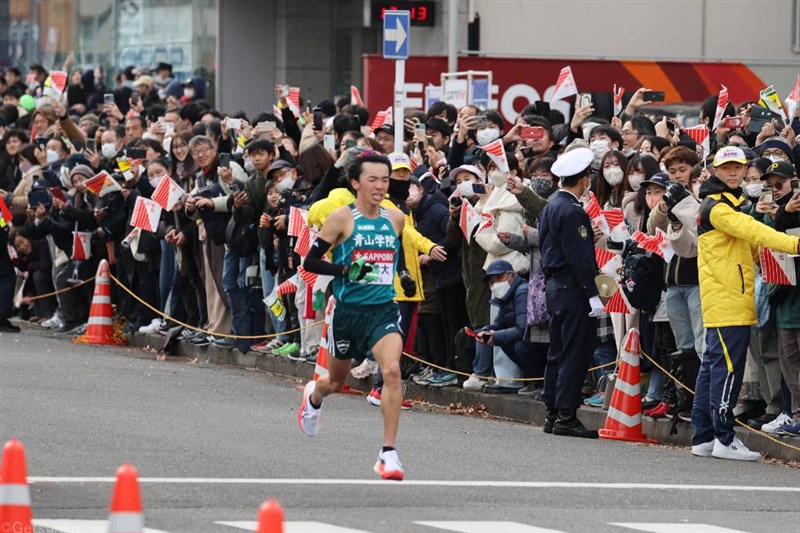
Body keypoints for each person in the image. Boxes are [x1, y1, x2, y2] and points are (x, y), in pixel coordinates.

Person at [299, 152, 407, 481]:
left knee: (391, 371)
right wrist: (346, 269)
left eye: (385, 179)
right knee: (336, 382)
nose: (379, 185)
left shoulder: (395, 218)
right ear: (356, 183)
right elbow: (310, 263)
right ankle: (314, 397)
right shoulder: (341, 219)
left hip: (383, 310)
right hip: (348, 312)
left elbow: (395, 253)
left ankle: (388, 453)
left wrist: (403, 273)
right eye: (372, 179)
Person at [692, 147, 800, 460]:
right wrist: (793, 243)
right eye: (726, 167)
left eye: (738, 167)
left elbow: (749, 245)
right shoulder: (717, 207)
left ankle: (703, 436)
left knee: (711, 370)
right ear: (715, 170)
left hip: (726, 298)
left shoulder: (729, 203)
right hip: (727, 300)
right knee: (727, 371)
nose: (734, 173)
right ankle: (724, 438)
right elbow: (751, 230)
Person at [538, 146, 603, 438]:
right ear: (584, 180)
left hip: (555, 286)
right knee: (574, 352)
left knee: (558, 350)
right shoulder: (573, 211)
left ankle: (553, 411)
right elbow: (580, 257)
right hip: (572, 288)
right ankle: (566, 414)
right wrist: (592, 291)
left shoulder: (550, 206)